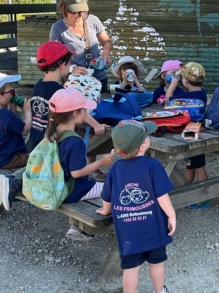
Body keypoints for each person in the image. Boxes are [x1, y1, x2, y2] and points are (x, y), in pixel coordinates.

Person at [96, 120, 176, 293]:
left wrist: (105, 210)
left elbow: (107, 197)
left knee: (130, 269)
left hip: (128, 232)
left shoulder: (115, 169)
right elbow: (162, 195)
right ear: (142, 146)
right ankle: (159, 291)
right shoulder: (152, 165)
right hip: (153, 228)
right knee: (157, 263)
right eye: (146, 136)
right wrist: (171, 215)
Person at [46, 89, 114, 240]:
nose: (87, 112)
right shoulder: (75, 141)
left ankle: (76, 225)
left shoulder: (53, 132)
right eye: (85, 110)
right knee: (112, 187)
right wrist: (100, 162)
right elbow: (77, 173)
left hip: (55, 183)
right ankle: (85, 228)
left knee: (98, 184)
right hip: (71, 190)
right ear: (75, 114)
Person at [27, 41, 107, 152]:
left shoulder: (38, 86)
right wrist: (96, 125)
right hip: (51, 148)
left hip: (35, 145)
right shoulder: (59, 91)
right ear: (62, 65)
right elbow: (79, 110)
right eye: (69, 64)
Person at [49, 0, 113, 92]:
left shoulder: (93, 20)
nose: (78, 15)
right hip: (74, 82)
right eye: (73, 11)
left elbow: (106, 41)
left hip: (98, 80)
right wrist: (71, 69)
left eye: (82, 11)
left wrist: (106, 51)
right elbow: (55, 58)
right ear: (64, 7)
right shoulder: (57, 28)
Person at [165, 62, 209, 209]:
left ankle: (204, 197)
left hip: (190, 132)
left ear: (185, 80)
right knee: (190, 165)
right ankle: (183, 192)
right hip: (195, 129)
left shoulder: (184, 97)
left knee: (197, 166)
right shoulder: (202, 94)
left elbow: (167, 101)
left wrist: (174, 82)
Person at [0, 72, 32, 169]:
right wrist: (27, 111)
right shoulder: (4, 115)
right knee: (39, 157)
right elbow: (25, 129)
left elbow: (10, 125)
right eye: (10, 91)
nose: (13, 93)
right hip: (11, 159)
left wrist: (12, 106)